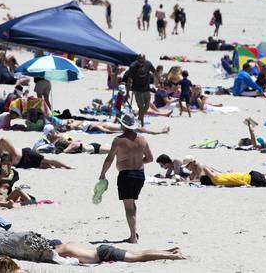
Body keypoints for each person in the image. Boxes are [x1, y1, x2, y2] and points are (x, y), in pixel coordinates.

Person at [99, 112, 153, 244]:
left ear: (123, 125)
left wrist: (103, 173)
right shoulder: (142, 139)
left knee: (128, 206)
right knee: (132, 203)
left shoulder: (118, 140)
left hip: (126, 175)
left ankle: (133, 237)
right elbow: (150, 158)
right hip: (140, 175)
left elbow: (110, 158)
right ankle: (134, 232)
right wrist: (139, 162)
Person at [183, 156, 266, 188]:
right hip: (244, 176)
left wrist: (188, 180)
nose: (186, 168)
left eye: (187, 165)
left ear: (192, 163)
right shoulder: (201, 169)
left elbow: (201, 180)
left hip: (247, 179)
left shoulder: (200, 166)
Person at [0, 132, 71, 169]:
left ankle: (67, 166)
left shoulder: (3, 140)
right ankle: (58, 167)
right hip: (20, 164)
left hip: (25, 154)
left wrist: (8, 161)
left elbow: (14, 153)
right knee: (45, 166)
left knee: (47, 160)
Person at [53, 242, 184, 264]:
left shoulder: (59, 250)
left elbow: (52, 256)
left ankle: (172, 256)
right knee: (137, 253)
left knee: (138, 257)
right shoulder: (68, 244)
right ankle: (170, 250)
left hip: (103, 254)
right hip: (102, 249)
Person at [126, 54, 155, 127]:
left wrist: (159, 79)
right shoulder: (133, 67)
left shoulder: (148, 64)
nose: (140, 63)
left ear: (145, 60)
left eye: (142, 62)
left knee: (147, 107)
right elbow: (129, 80)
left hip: (146, 88)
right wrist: (127, 93)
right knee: (141, 107)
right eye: (139, 61)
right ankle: (141, 123)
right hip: (137, 89)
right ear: (137, 59)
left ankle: (139, 118)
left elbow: (154, 71)